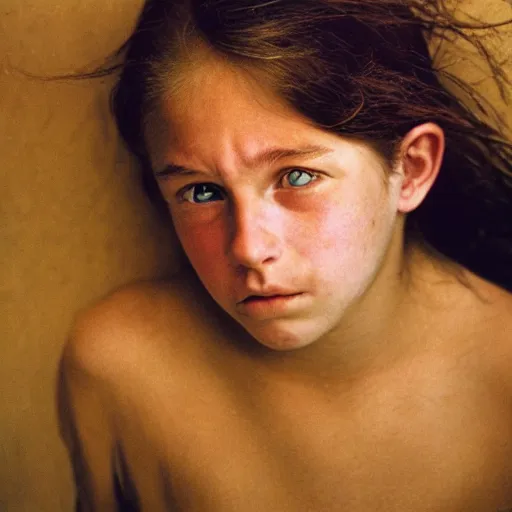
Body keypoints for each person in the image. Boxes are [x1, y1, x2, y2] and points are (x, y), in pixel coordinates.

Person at [58, 0, 512, 510]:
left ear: (410, 168)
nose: (248, 248)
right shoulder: (119, 371)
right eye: (203, 192)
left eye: (297, 177)